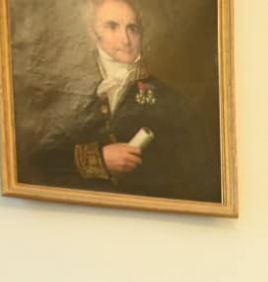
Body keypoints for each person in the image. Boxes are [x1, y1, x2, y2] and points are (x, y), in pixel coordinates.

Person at [14, 0, 220, 202]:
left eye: (132, 28)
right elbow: (37, 161)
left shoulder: (172, 101)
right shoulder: (70, 92)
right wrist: (99, 159)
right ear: (93, 33)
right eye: (113, 27)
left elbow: (196, 178)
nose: (126, 39)